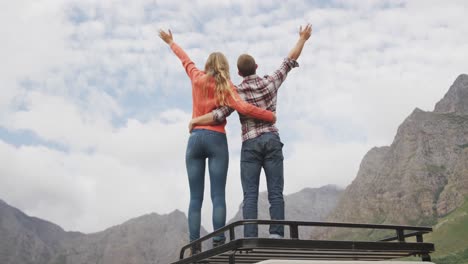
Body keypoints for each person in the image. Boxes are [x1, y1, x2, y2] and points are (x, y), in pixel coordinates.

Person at [158, 29, 276, 254]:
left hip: (195, 141)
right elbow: (242, 107)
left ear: (208, 64)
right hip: (216, 140)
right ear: (225, 66)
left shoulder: (196, 77)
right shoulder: (227, 87)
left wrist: (171, 42)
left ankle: (194, 247)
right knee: (217, 195)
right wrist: (269, 116)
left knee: (195, 197)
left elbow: (185, 59)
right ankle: (218, 244)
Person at [190, 24, 312, 238]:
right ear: (257, 66)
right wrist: (303, 38)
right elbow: (288, 62)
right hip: (272, 141)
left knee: (250, 195)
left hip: (250, 146)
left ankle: (251, 236)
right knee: (276, 192)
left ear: (238, 73)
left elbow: (219, 114)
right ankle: (276, 234)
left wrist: (196, 120)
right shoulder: (270, 83)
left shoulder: (234, 93)